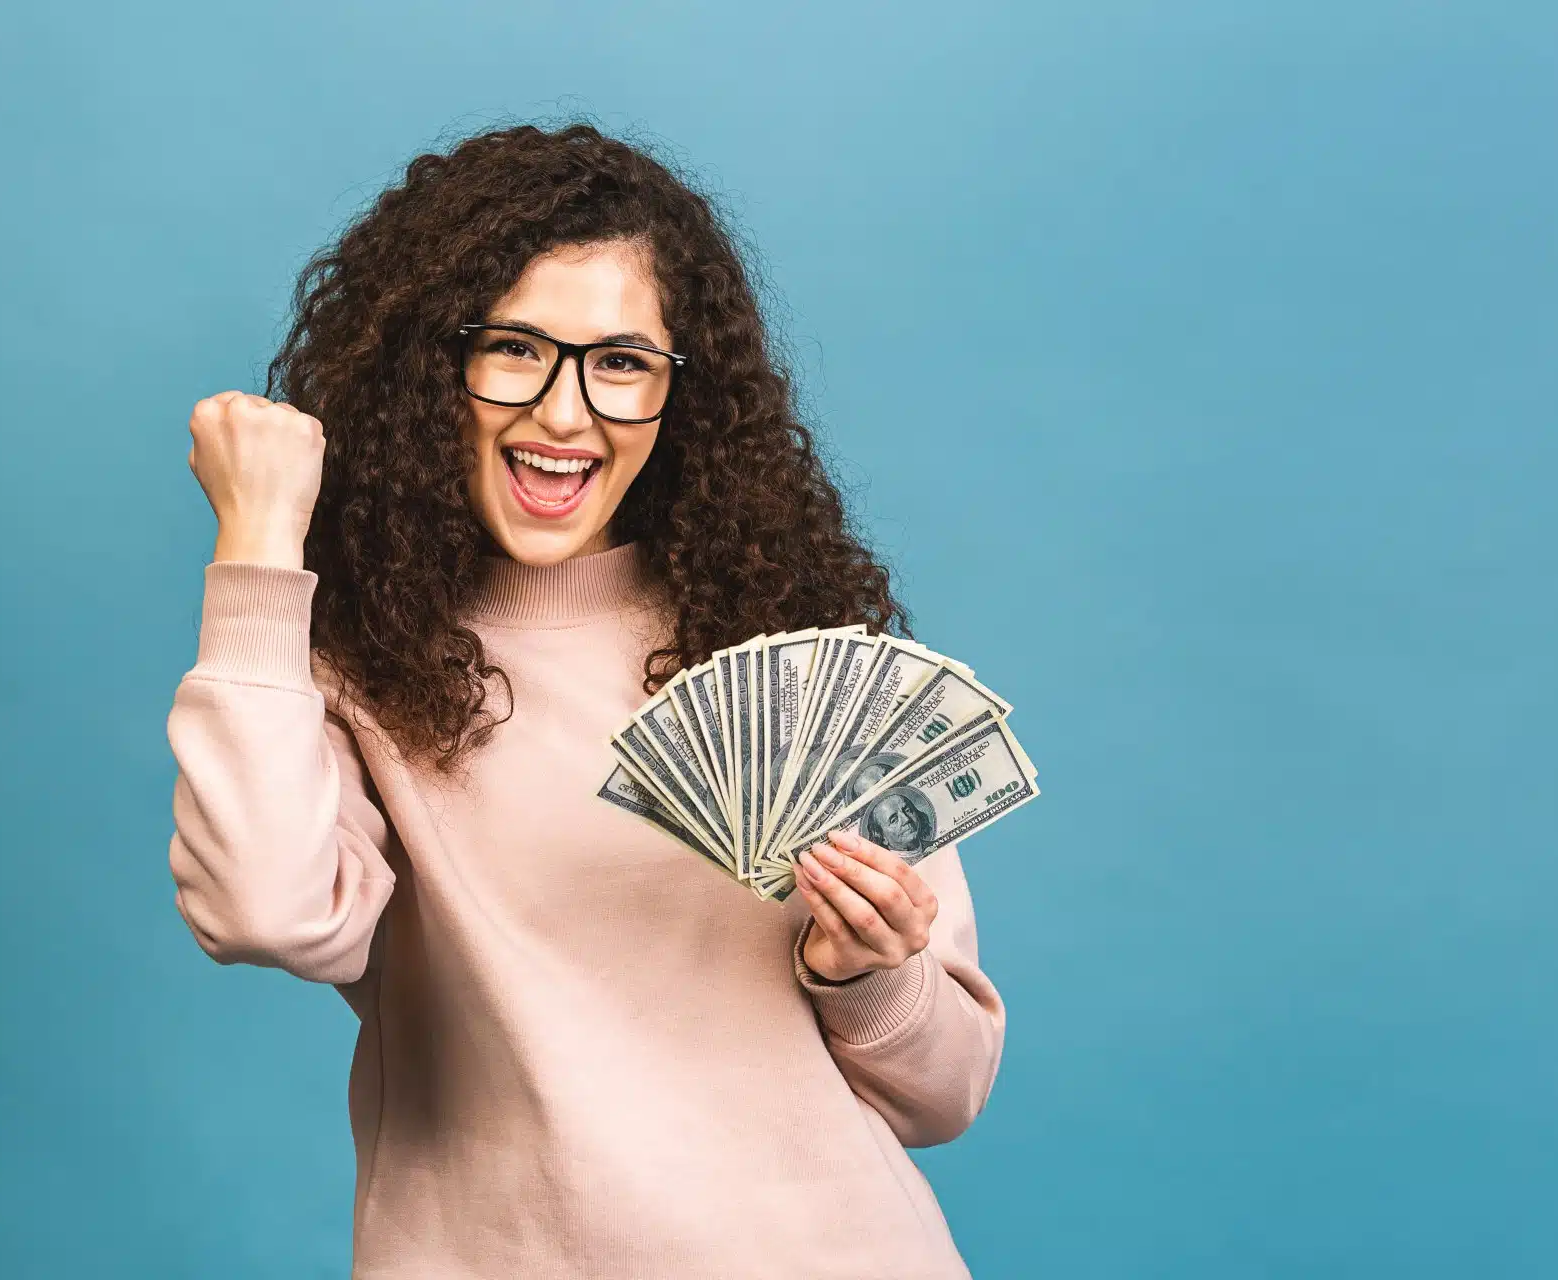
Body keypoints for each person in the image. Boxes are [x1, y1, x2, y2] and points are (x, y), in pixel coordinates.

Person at [164, 122, 1004, 1279]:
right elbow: (263, 908)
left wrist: (871, 968)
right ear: (426, 364)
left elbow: (945, 1091)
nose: (567, 414)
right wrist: (261, 545)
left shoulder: (792, 648)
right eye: (514, 346)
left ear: (679, 393)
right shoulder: (351, 663)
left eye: (620, 361)